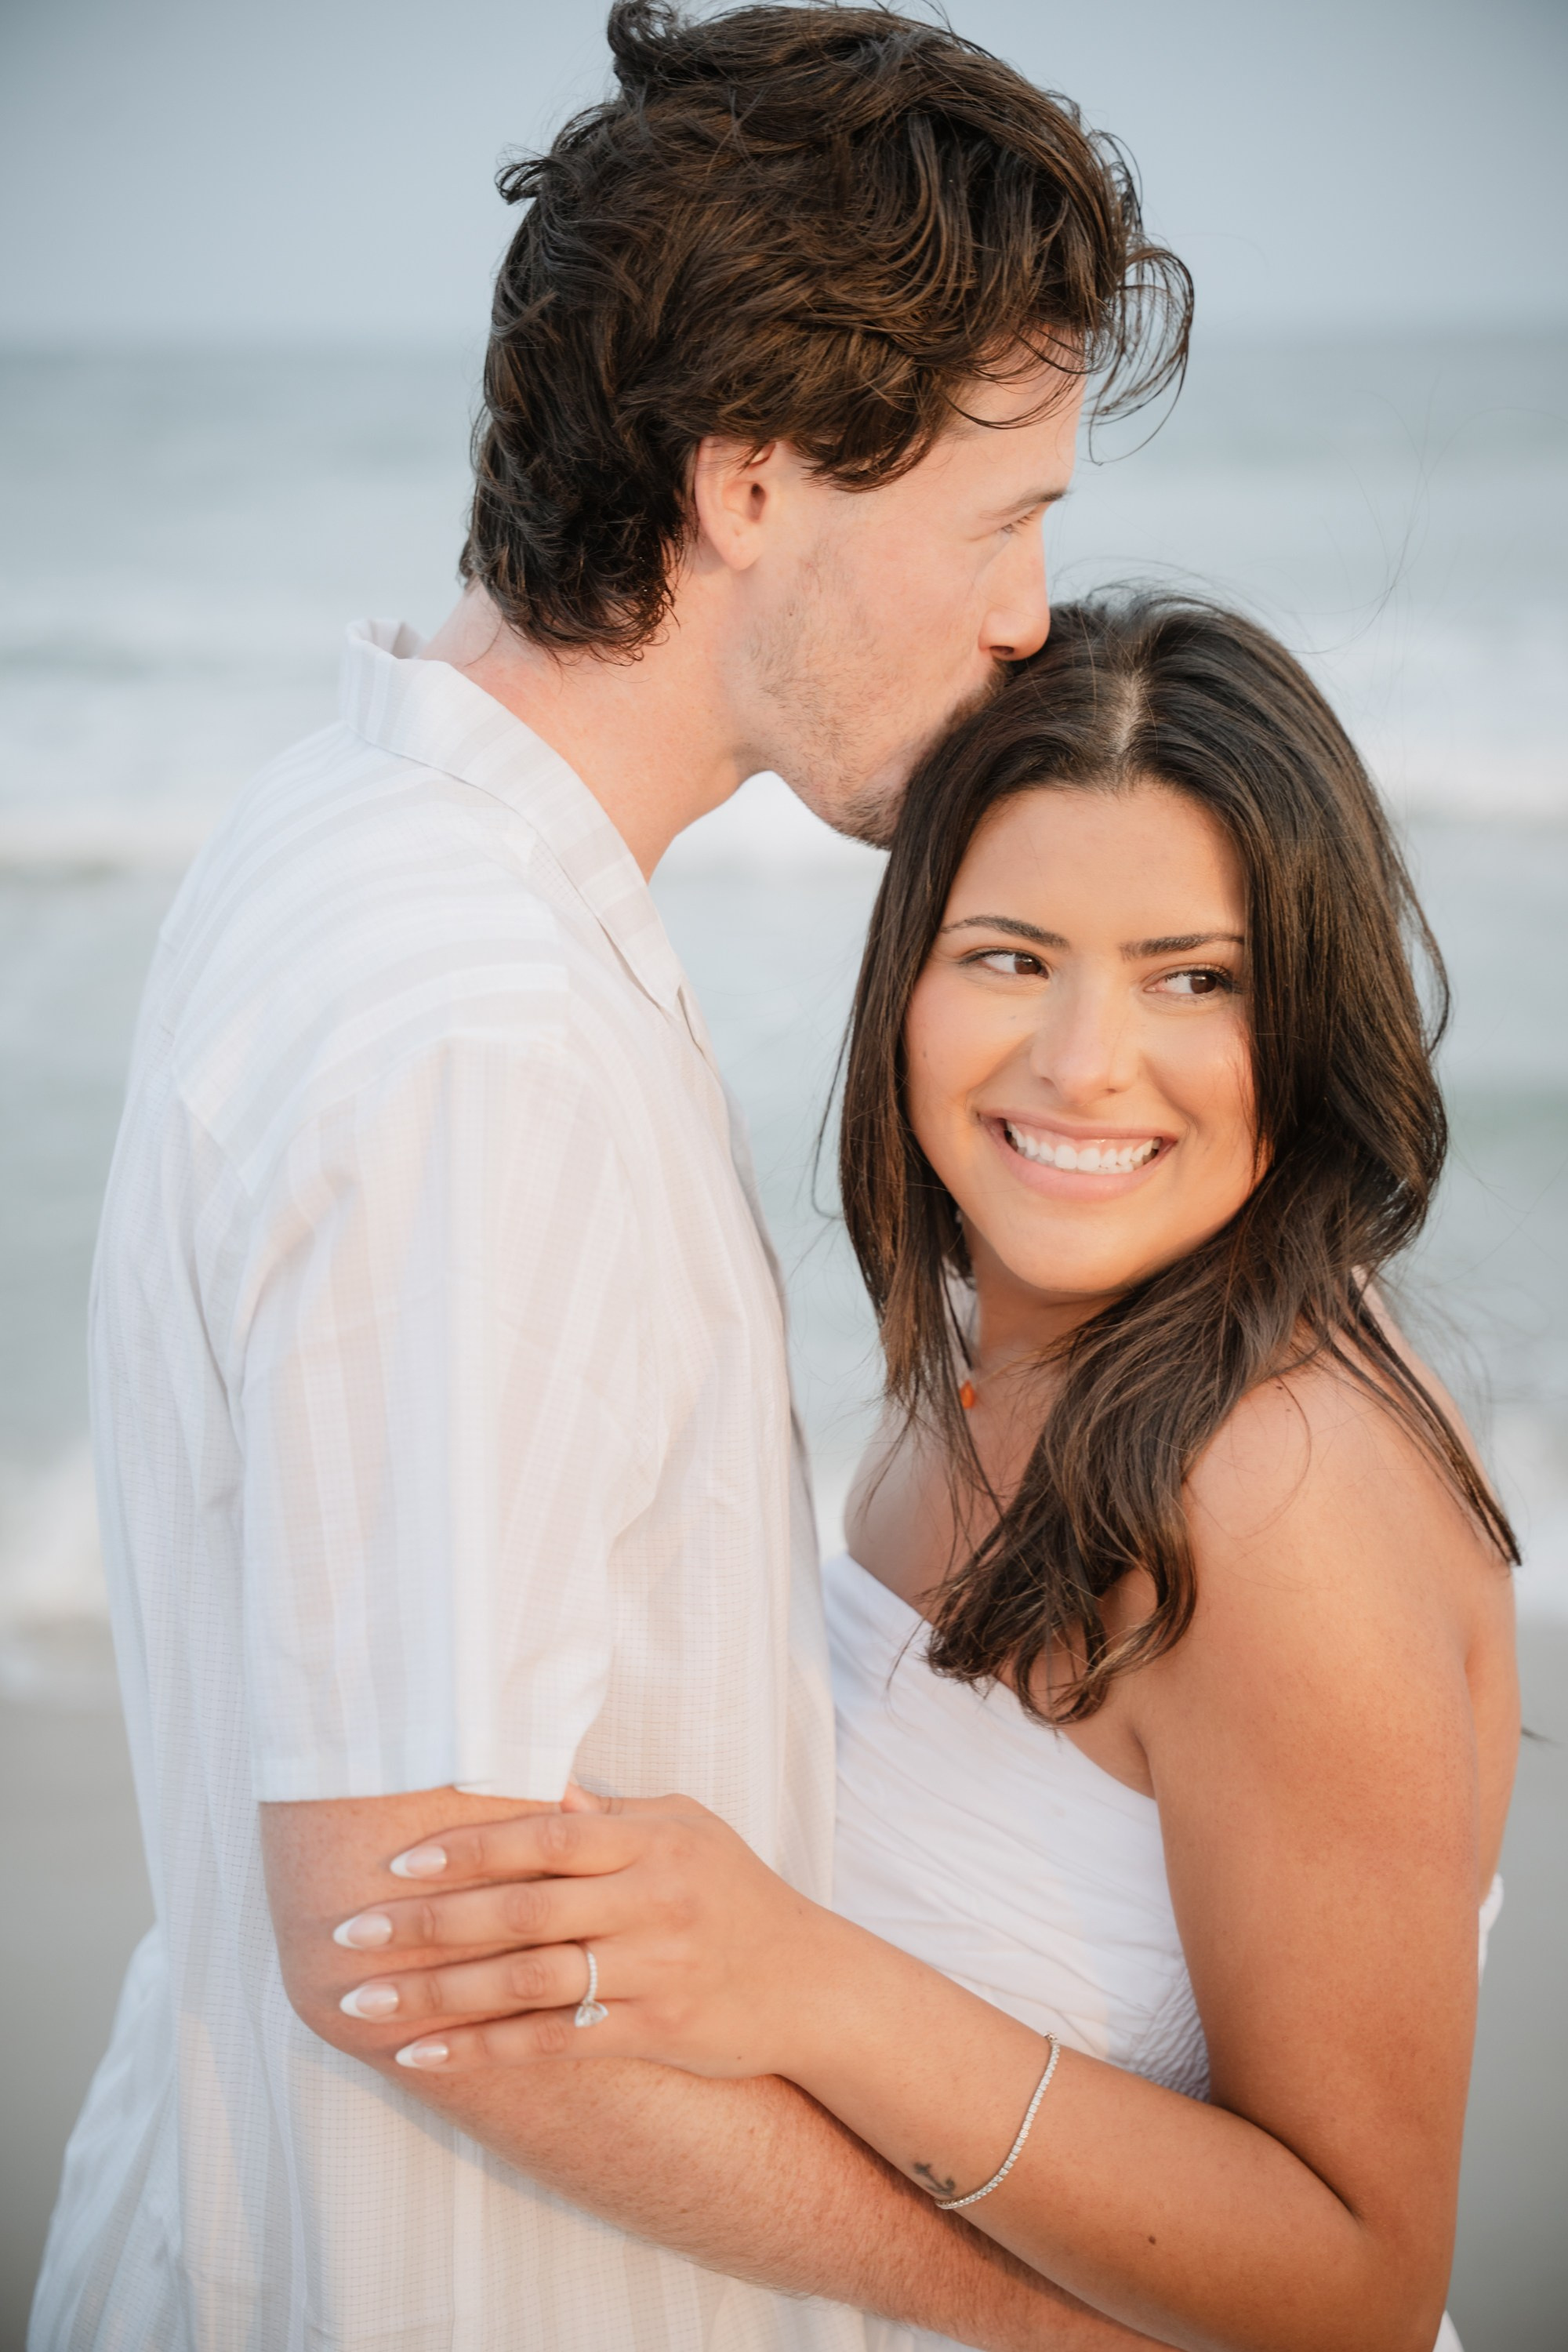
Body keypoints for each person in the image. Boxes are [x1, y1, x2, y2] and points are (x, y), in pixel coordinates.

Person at [31, 5, 1192, 2350]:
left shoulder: (355, 831)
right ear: (751, 480)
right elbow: (419, 1964)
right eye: (1001, 514)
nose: (1023, 611)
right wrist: (1040, 2325)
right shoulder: (480, 1027)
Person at [323, 596, 1521, 2352]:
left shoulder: (1280, 1489)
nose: (1081, 1061)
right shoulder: (993, 1362)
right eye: (1012, 955)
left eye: (1194, 977)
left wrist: (809, 1988)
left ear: (1308, 1022)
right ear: (908, 978)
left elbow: (1359, 2282)